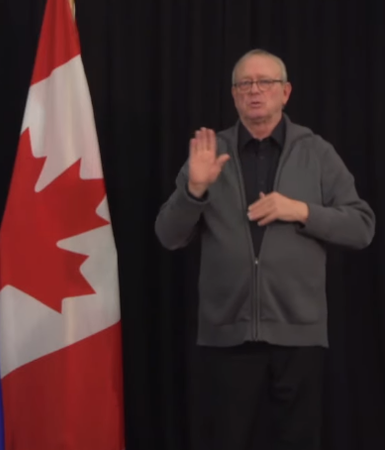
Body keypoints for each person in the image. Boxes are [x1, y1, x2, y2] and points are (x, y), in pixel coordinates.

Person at [154, 49, 375, 450]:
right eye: (245, 84)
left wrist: (301, 210)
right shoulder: (209, 154)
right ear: (234, 94)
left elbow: (362, 226)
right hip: (227, 340)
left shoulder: (317, 152)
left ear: (285, 92)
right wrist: (194, 190)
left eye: (265, 82)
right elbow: (168, 235)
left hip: (299, 338)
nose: (255, 91)